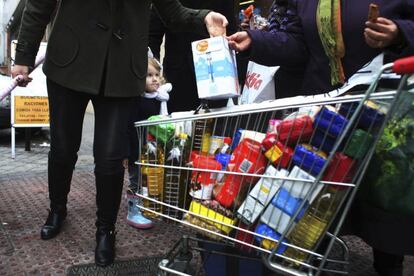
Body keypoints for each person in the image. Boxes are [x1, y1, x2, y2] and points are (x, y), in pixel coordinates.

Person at [11, 0, 228, 267]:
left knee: (111, 158)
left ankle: (106, 229)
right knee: (63, 148)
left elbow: (173, 13)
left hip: (121, 71)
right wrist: (23, 55)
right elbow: (38, 4)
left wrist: (204, 17)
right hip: (68, 61)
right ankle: (57, 208)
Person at [227, 1, 414, 275]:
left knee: (382, 192)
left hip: (385, 102)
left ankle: (389, 264)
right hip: (326, 106)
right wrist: (254, 41)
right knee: (322, 193)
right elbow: (296, 44)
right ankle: (314, 256)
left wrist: (400, 33)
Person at [149, 0, 239, 113]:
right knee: (180, 125)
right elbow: (153, 34)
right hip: (179, 73)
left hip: (216, 71)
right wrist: (152, 70)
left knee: (215, 123)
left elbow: (229, 28)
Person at [126, 55, 172, 230]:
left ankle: (148, 206)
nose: (154, 79)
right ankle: (133, 211)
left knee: (150, 180)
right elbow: (130, 126)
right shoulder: (137, 100)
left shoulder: (162, 98)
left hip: (155, 150)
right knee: (136, 181)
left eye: (156, 75)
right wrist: (128, 153)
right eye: (148, 75)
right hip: (137, 149)